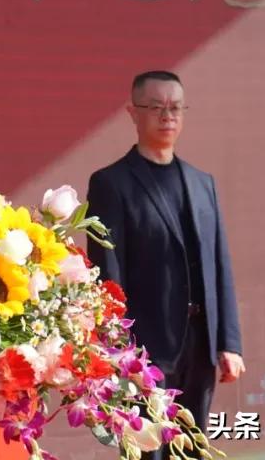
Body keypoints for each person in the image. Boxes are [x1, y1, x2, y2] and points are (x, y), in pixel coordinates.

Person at [85, 71, 244, 450]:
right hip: (146, 346)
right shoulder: (112, 183)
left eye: (175, 108)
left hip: (199, 342)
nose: (167, 116)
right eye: (156, 107)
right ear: (132, 113)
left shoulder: (202, 182)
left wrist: (230, 342)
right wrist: (118, 347)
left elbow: (219, 264)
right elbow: (109, 272)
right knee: (149, 448)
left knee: (193, 446)